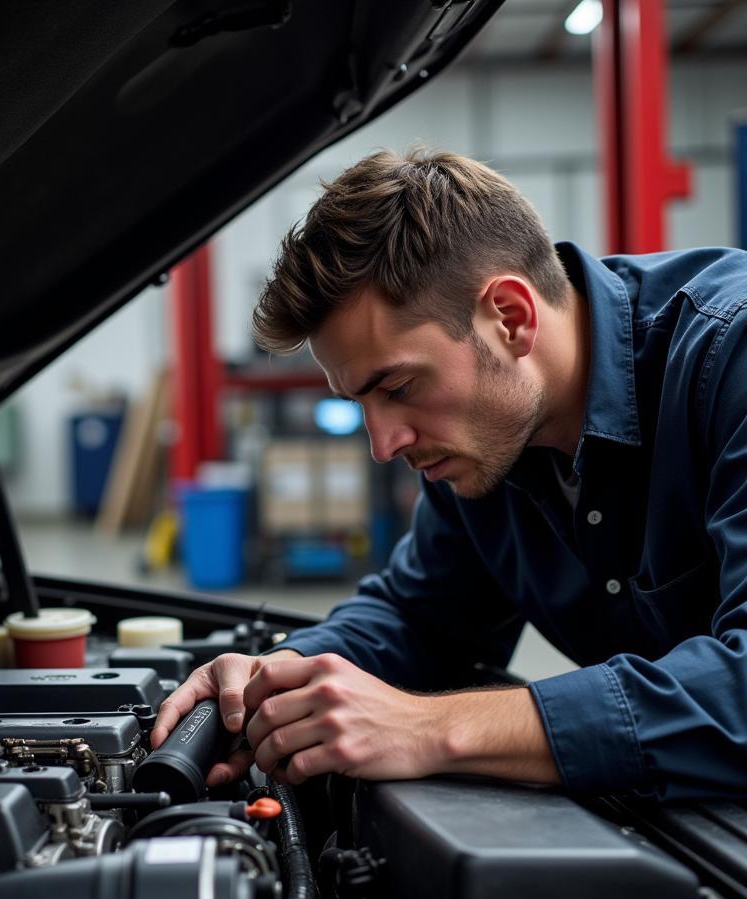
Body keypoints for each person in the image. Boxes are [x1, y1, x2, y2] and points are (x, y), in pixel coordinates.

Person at [151, 148, 747, 801]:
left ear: (510, 318)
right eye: (362, 404)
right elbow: (419, 617)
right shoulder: (483, 447)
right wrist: (284, 675)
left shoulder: (728, 358)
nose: (384, 445)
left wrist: (430, 729)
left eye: (400, 386)